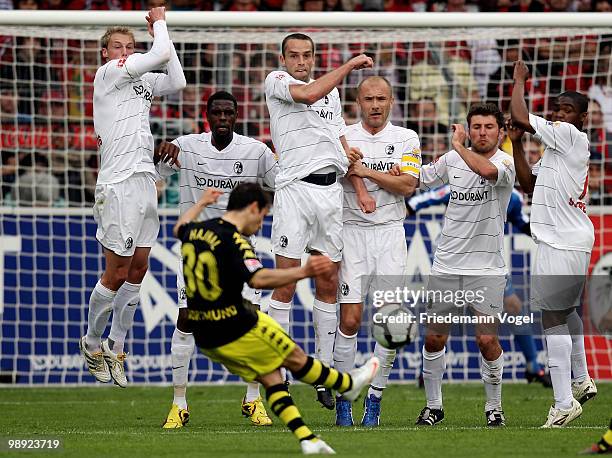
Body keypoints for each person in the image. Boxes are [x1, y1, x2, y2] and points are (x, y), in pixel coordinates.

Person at [174, 183, 379, 455]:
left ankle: (307, 439)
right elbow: (259, 278)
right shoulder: (236, 242)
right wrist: (303, 273)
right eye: (262, 216)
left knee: (271, 376)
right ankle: (347, 384)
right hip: (236, 325)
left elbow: (179, 227)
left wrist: (200, 203)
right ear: (252, 208)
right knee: (293, 358)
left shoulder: (198, 231)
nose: (260, 225)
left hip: (207, 336)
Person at [155, 91, 279, 428]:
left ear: (236, 115)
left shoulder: (255, 152)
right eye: (217, 113)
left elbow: (284, 182)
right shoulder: (186, 145)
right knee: (187, 320)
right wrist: (158, 152)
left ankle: (253, 400)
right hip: (197, 250)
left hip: (239, 250)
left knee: (253, 320)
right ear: (207, 115)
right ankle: (178, 404)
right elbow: (155, 176)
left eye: (229, 113)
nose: (223, 118)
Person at [264, 32, 373, 409]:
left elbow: (339, 138)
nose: (300, 61)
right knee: (287, 282)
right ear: (283, 58)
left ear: (313, 58)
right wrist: (349, 65)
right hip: (294, 192)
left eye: (307, 56)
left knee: (328, 279)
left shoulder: (331, 92)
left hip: (330, 193)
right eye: (294, 55)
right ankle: (276, 373)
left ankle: (322, 373)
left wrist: (354, 173)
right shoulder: (276, 82)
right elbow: (308, 95)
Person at [79, 7, 186, 388]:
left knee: (139, 268)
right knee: (117, 271)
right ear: (105, 54)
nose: (124, 51)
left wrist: (161, 34)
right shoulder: (107, 75)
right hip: (118, 184)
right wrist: (159, 22)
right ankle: (91, 343)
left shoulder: (141, 82)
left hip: (144, 181)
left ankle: (117, 346)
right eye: (117, 46)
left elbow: (177, 78)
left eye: (130, 46)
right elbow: (158, 55)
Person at [415, 103, 516, 427]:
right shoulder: (451, 160)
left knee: (486, 341)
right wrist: (376, 169)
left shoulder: (505, 163)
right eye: (477, 127)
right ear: (469, 129)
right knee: (434, 339)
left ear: (500, 132)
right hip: (446, 266)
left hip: (487, 270)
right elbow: (420, 178)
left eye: (489, 127)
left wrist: (457, 145)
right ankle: (434, 406)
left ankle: (494, 407)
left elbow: (485, 172)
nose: (482, 133)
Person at [510, 60, 597, 428]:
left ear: (581, 119)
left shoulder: (571, 137)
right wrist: (515, 144)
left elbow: (520, 112)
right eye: (557, 107)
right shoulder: (556, 151)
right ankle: (581, 377)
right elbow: (528, 184)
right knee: (564, 309)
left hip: (563, 240)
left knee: (552, 316)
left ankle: (564, 401)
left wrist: (518, 80)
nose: (559, 114)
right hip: (561, 238)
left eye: (568, 110)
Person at [332, 76, 420, 427]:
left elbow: (409, 185)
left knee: (388, 323)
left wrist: (366, 171)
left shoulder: (406, 138)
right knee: (349, 320)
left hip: (389, 234)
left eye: (381, 98)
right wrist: (386, 178)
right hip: (351, 233)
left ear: (392, 100)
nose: (375, 105)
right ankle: (343, 400)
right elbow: (338, 172)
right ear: (358, 102)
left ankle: (375, 400)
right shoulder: (344, 136)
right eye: (368, 98)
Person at [407, 181, 553, 388]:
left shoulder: (511, 197)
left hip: (487, 265)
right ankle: (427, 373)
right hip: (453, 262)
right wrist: (408, 208)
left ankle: (532, 366)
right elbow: (425, 197)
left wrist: (546, 235)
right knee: (442, 320)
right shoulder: (462, 184)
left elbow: (521, 222)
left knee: (513, 307)